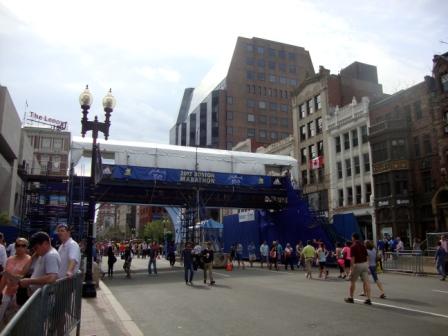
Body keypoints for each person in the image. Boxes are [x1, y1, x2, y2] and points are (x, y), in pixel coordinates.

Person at [0, 238, 32, 322]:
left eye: (23, 245)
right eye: (18, 245)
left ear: (26, 247)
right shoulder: (10, 259)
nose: (20, 247)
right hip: (7, 291)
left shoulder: (28, 259)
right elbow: (4, 277)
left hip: (18, 293)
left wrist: (8, 275)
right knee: (1, 313)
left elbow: (21, 276)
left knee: (15, 318)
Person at [344, 233, 372, 305]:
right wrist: (367, 266)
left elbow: (352, 260)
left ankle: (351, 298)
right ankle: (368, 299)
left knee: (352, 282)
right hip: (365, 264)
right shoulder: (363, 246)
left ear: (353, 238)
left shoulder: (353, 247)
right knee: (367, 282)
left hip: (357, 265)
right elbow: (367, 257)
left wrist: (351, 270)